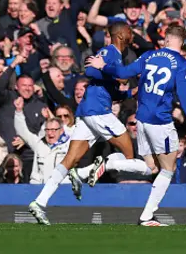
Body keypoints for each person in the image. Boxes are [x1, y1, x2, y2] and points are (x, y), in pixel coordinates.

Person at [28, 22, 153, 225]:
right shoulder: (110, 52)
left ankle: (40, 202)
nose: (133, 36)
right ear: (121, 35)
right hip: (98, 111)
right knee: (129, 154)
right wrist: (105, 69)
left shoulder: (115, 56)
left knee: (70, 160)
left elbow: (109, 88)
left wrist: (130, 92)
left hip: (88, 111)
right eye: (130, 33)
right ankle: (90, 171)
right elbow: (91, 72)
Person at [87, 25, 186, 226]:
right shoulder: (183, 64)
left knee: (151, 167)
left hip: (140, 119)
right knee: (168, 169)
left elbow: (123, 71)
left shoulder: (149, 55)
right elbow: (183, 95)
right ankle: (147, 215)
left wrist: (102, 65)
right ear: (182, 43)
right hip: (161, 121)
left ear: (166, 39)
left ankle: (110, 164)